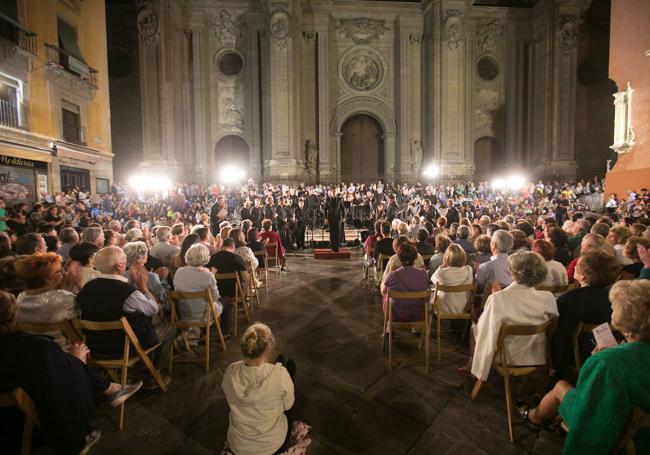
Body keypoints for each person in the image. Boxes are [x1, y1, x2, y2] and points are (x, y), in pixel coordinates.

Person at [0, 290, 142, 455]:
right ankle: (107, 394)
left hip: (7, 427)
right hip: (37, 423)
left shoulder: (27, 345)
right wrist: (78, 360)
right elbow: (60, 384)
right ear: (13, 316)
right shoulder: (34, 347)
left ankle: (110, 388)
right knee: (71, 358)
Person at [519, 280, 650, 455]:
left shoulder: (608, 363)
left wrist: (597, 359)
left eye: (615, 307)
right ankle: (546, 419)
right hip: (640, 432)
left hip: (607, 424)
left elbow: (589, 415)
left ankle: (534, 418)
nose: (611, 309)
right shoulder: (622, 355)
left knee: (560, 386)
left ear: (626, 317)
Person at [77, 246, 174, 388]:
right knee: (169, 328)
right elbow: (153, 309)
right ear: (120, 265)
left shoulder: (86, 287)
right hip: (124, 346)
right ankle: (153, 375)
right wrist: (143, 288)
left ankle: (135, 371)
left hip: (95, 346)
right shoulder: (129, 293)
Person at [469, 252, 558, 381]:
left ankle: (473, 369)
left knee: (475, 327)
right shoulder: (547, 297)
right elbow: (553, 325)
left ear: (513, 272)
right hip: (536, 353)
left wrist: (496, 297)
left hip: (506, 356)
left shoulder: (498, 298)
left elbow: (486, 331)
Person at [221, 323, 296, 455]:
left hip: (238, 446)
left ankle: (285, 371)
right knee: (288, 414)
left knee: (281, 378)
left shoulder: (231, 371)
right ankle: (288, 374)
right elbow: (288, 405)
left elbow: (228, 394)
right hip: (271, 446)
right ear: (268, 349)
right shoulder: (278, 375)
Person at [550, 250, 620, 382]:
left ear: (583, 276)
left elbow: (561, 337)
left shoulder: (569, 299)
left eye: (578, 266)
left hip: (575, 356)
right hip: (609, 352)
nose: (574, 266)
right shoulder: (614, 297)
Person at [14, 253, 80, 344]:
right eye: (59, 271)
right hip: (62, 351)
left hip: (29, 349)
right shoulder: (65, 298)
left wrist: (63, 288)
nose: (64, 273)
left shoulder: (20, 298)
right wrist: (77, 283)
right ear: (47, 279)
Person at [207, 238, 248, 337]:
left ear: (222, 246)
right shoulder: (236, 257)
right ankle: (243, 302)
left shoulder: (212, 258)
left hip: (216, 291)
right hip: (234, 291)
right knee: (246, 279)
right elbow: (245, 278)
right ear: (232, 247)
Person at [173, 243, 223, 324]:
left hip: (184, 313)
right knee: (221, 304)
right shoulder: (207, 275)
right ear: (205, 257)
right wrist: (212, 275)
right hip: (204, 315)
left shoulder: (179, 271)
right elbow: (215, 297)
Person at [380, 243, 430, 322]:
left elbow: (383, 291)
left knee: (386, 296)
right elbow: (427, 287)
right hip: (417, 313)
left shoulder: (393, 275)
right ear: (416, 257)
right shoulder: (423, 273)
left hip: (397, 313)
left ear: (399, 258)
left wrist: (383, 282)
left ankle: (388, 326)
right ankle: (416, 328)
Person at [431, 244, 474, 313]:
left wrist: (442, 266)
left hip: (443, 308)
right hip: (462, 307)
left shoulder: (441, 273)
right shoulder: (469, 270)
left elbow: (433, 278)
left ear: (447, 258)